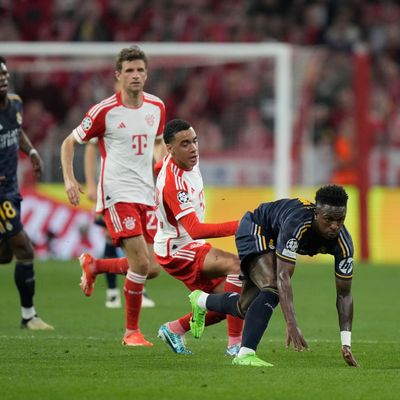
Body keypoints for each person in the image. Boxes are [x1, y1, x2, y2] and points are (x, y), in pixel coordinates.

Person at [79, 119, 244, 356]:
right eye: (185, 144)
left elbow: (158, 168)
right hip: (179, 250)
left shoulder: (181, 161)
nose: (194, 148)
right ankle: (234, 346)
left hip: (187, 245)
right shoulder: (174, 183)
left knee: (230, 302)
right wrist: (239, 225)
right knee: (237, 266)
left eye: (194, 141)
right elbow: (195, 229)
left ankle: (174, 329)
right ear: (170, 149)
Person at [61, 46, 165, 346]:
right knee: (141, 265)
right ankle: (131, 332)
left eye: (140, 70)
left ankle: (95, 265)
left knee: (154, 267)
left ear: (146, 74)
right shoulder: (104, 110)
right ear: (118, 76)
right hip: (117, 194)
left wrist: (162, 162)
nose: (135, 75)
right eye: (129, 70)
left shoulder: (156, 107)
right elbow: (69, 143)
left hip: (146, 195)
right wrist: (71, 178)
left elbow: (157, 143)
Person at [189, 185, 359, 367]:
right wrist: (291, 322)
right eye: (328, 219)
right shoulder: (298, 223)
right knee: (272, 286)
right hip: (256, 228)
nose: (335, 226)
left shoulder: (344, 243)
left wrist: (346, 343)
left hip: (274, 239)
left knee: (244, 307)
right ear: (316, 214)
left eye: (340, 220)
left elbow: (344, 294)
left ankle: (202, 300)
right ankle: (245, 354)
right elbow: (283, 276)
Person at [0, 56, 53, 330]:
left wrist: (31, 151)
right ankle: (29, 316)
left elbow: (17, 132)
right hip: (0, 195)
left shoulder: (16, 103)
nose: (3, 78)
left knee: (5, 255)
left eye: (5, 74)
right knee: (24, 248)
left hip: (11, 189)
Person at [84, 139, 156, 309]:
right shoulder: (108, 115)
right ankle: (112, 291)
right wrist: (92, 184)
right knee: (110, 237)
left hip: (141, 192)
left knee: (143, 247)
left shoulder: (146, 117)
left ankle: (139, 288)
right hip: (112, 191)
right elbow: (91, 145)